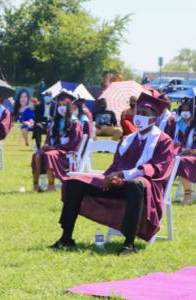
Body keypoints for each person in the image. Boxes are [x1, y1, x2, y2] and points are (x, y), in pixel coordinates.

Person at [54, 92, 175, 255]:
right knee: (74, 182)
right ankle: (66, 238)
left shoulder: (164, 140)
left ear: (155, 118)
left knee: (135, 184)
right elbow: (116, 164)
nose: (139, 116)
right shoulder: (127, 139)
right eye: (138, 112)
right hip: (119, 182)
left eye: (144, 114)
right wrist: (115, 178)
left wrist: (123, 175)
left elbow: (156, 168)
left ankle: (129, 244)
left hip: (146, 187)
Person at [32, 95, 84, 192]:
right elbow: (49, 138)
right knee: (37, 155)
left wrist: (55, 147)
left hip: (67, 152)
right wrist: (47, 145)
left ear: (69, 107)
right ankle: (35, 185)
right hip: (55, 149)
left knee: (48, 155)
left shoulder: (75, 122)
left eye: (64, 105)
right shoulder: (55, 121)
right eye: (59, 105)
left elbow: (74, 143)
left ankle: (51, 186)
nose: (62, 107)